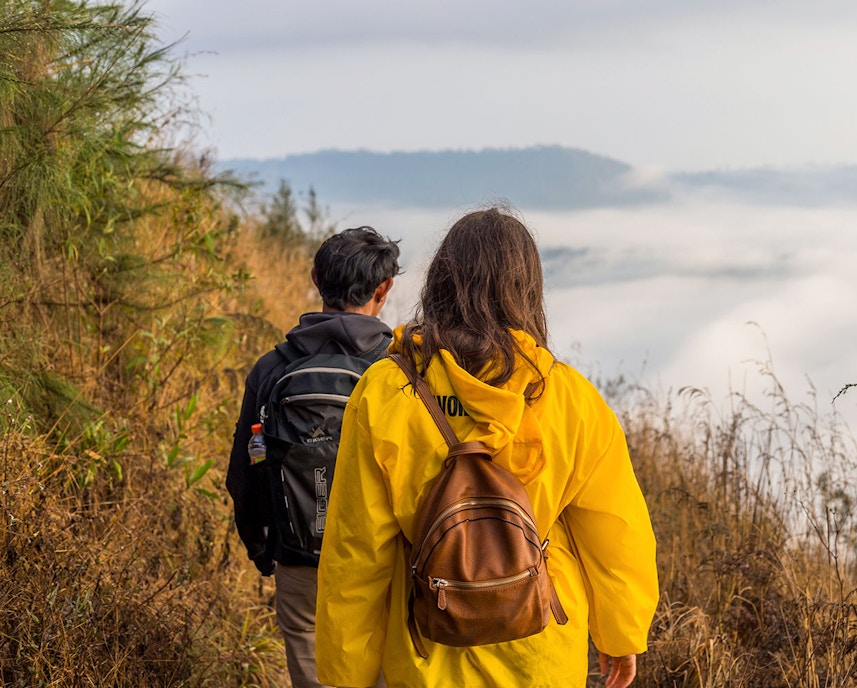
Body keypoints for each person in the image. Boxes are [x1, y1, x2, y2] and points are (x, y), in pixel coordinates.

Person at [316, 207, 658, 687]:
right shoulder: (568, 396)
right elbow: (616, 532)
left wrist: (345, 668)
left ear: (440, 283)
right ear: (528, 290)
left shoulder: (386, 390)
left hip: (426, 652)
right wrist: (621, 635)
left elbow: (357, 546)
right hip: (541, 649)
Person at [227, 226, 400, 688]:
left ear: (315, 278)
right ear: (384, 290)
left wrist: (266, 551)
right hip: (381, 569)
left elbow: (244, 475)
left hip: (300, 559)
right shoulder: (399, 369)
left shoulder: (272, 367)